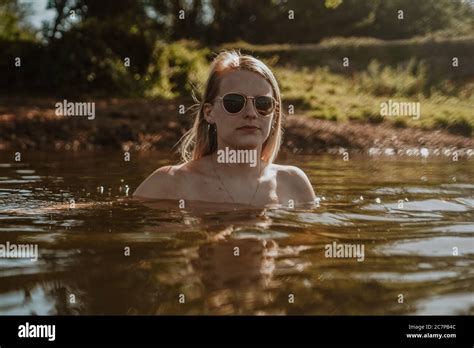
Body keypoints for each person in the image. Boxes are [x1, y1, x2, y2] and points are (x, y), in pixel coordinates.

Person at [133, 50, 315, 207]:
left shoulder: (293, 182)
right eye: (234, 102)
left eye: (263, 104)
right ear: (209, 112)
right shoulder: (168, 183)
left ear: (274, 114)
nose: (251, 113)